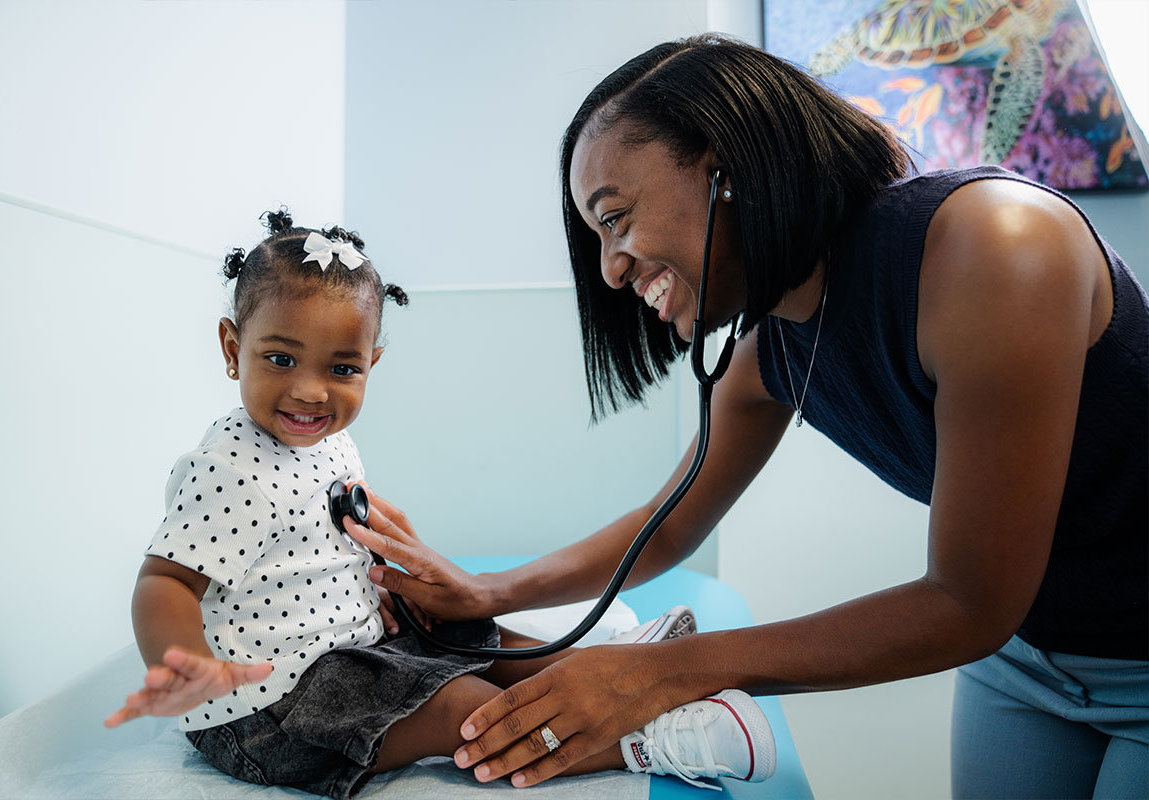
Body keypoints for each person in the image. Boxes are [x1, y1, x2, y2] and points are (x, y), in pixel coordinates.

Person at [348, 34, 1149, 797]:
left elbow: (968, 600)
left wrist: (664, 669)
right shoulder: (772, 350)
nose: (611, 269)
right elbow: (666, 528)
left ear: (722, 168)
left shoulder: (993, 248)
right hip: (1023, 661)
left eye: (615, 217)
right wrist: (488, 593)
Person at [103, 209, 777, 796]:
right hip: (270, 713)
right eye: (281, 359)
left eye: (342, 369)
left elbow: (353, 519)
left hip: (351, 655)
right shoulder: (228, 468)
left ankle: (618, 665)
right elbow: (163, 582)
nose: (311, 391)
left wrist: (392, 584)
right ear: (232, 348)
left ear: (372, 362)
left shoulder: (327, 442)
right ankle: (647, 738)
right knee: (454, 701)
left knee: (463, 635)